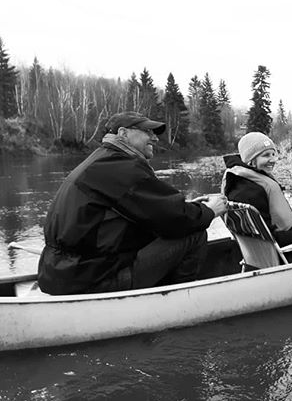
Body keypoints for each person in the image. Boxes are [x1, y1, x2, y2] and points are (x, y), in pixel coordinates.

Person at [38, 112, 228, 295]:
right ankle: (176, 301)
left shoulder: (102, 161)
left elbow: (157, 212)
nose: (154, 138)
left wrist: (189, 209)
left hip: (62, 274)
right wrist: (210, 211)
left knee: (175, 226)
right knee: (194, 233)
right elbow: (175, 218)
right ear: (123, 133)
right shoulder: (122, 168)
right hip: (92, 280)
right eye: (148, 132)